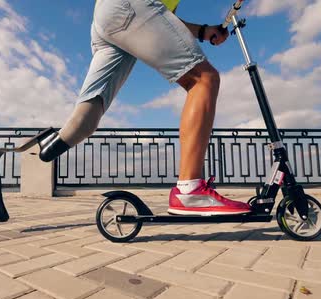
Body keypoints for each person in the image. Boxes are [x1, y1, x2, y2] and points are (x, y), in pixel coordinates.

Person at [39, 0, 251, 215]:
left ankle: (34, 150)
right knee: (203, 79)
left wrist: (203, 31)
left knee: (87, 118)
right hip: (130, 7)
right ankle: (190, 191)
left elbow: (167, 20)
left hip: (107, 17)